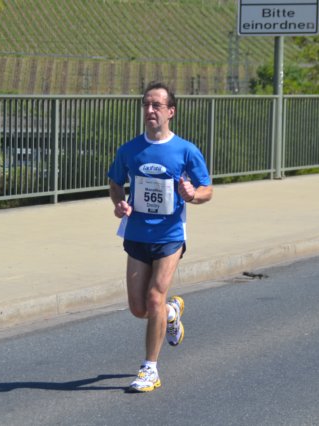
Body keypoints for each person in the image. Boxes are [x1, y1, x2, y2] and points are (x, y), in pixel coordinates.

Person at [107, 81, 213, 392]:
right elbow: (115, 182)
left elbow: (207, 189)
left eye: (157, 105)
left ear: (171, 112)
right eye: (146, 104)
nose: (150, 110)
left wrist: (193, 194)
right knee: (139, 308)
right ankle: (171, 312)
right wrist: (119, 203)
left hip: (170, 235)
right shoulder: (130, 150)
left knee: (155, 296)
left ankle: (149, 369)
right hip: (137, 233)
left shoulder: (186, 150)